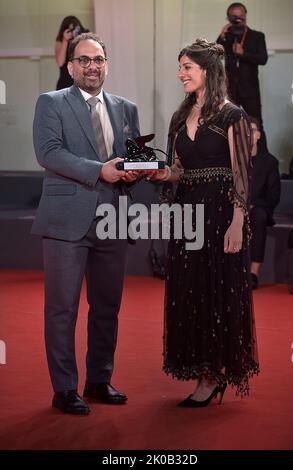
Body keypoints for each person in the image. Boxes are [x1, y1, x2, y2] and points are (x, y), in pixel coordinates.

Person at [32, 32, 140, 415]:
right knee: (62, 309)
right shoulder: (51, 103)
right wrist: (101, 171)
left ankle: (98, 380)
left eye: (98, 60)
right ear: (71, 65)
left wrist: (138, 171)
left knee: (107, 306)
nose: (92, 66)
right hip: (65, 221)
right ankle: (64, 388)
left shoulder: (126, 108)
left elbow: (129, 160)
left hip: (114, 218)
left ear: (106, 65)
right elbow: (48, 153)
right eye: (84, 60)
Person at [149, 38, 259, 406]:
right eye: (179, 67)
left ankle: (213, 375)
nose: (180, 74)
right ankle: (201, 370)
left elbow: (242, 175)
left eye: (187, 68)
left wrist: (236, 221)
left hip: (220, 214)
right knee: (190, 292)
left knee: (218, 293)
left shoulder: (233, 116)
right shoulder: (180, 116)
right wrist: (161, 175)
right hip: (187, 216)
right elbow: (179, 169)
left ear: (209, 71)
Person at [217, 3, 268, 151]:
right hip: (231, 89)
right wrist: (221, 36)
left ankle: (262, 158)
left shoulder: (257, 36)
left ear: (245, 16)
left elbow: (263, 59)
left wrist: (243, 54)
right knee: (227, 123)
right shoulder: (227, 37)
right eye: (234, 17)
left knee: (257, 124)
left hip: (250, 89)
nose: (238, 19)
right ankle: (228, 157)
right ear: (228, 18)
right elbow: (215, 55)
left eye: (240, 16)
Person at [248, 116, 281, 289]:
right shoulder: (233, 159)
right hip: (235, 206)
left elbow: (274, 196)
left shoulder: (269, 162)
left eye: (251, 130)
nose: (248, 134)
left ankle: (253, 273)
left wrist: (253, 205)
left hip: (259, 209)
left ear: (259, 135)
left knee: (258, 216)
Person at [55, 16, 88, 90]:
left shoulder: (83, 40)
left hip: (82, 81)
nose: (73, 32)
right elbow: (60, 63)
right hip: (65, 82)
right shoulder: (60, 42)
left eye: (75, 29)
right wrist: (65, 40)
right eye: (70, 30)